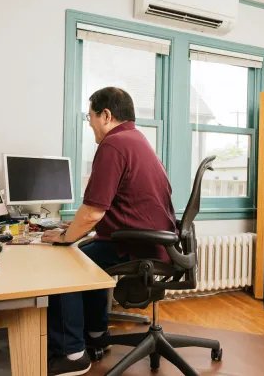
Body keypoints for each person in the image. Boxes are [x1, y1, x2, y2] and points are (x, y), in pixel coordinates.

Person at [41, 87, 177, 376]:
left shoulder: (114, 145)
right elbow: (115, 208)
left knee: (66, 261)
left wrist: (65, 238)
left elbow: (92, 212)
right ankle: (95, 335)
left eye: (90, 116)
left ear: (106, 115)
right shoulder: (137, 140)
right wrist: (75, 230)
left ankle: (71, 354)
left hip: (137, 245)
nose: (89, 123)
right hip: (149, 241)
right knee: (86, 256)